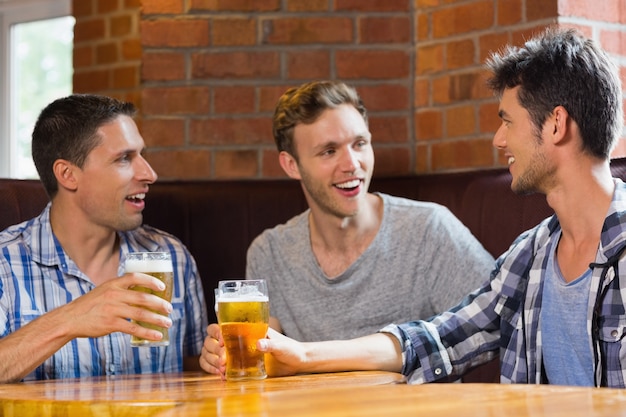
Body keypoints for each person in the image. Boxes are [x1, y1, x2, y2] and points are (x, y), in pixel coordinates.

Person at [202, 27, 626, 388]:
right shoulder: (531, 256)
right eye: (328, 150)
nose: (498, 140)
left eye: (507, 121)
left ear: (555, 124)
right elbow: (431, 339)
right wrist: (297, 355)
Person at [199, 80, 495, 374]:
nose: (352, 164)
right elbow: (266, 343)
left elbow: (498, 318)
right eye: (329, 151)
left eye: (359, 144)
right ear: (291, 165)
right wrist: (225, 351)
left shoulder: (429, 230)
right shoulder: (270, 251)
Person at [0, 95, 208, 382]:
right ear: (67, 174)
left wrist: (217, 358)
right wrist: (70, 319)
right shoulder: (5, 263)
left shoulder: (172, 255)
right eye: (124, 158)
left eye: (142, 155)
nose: (149, 174)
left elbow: (193, 367)